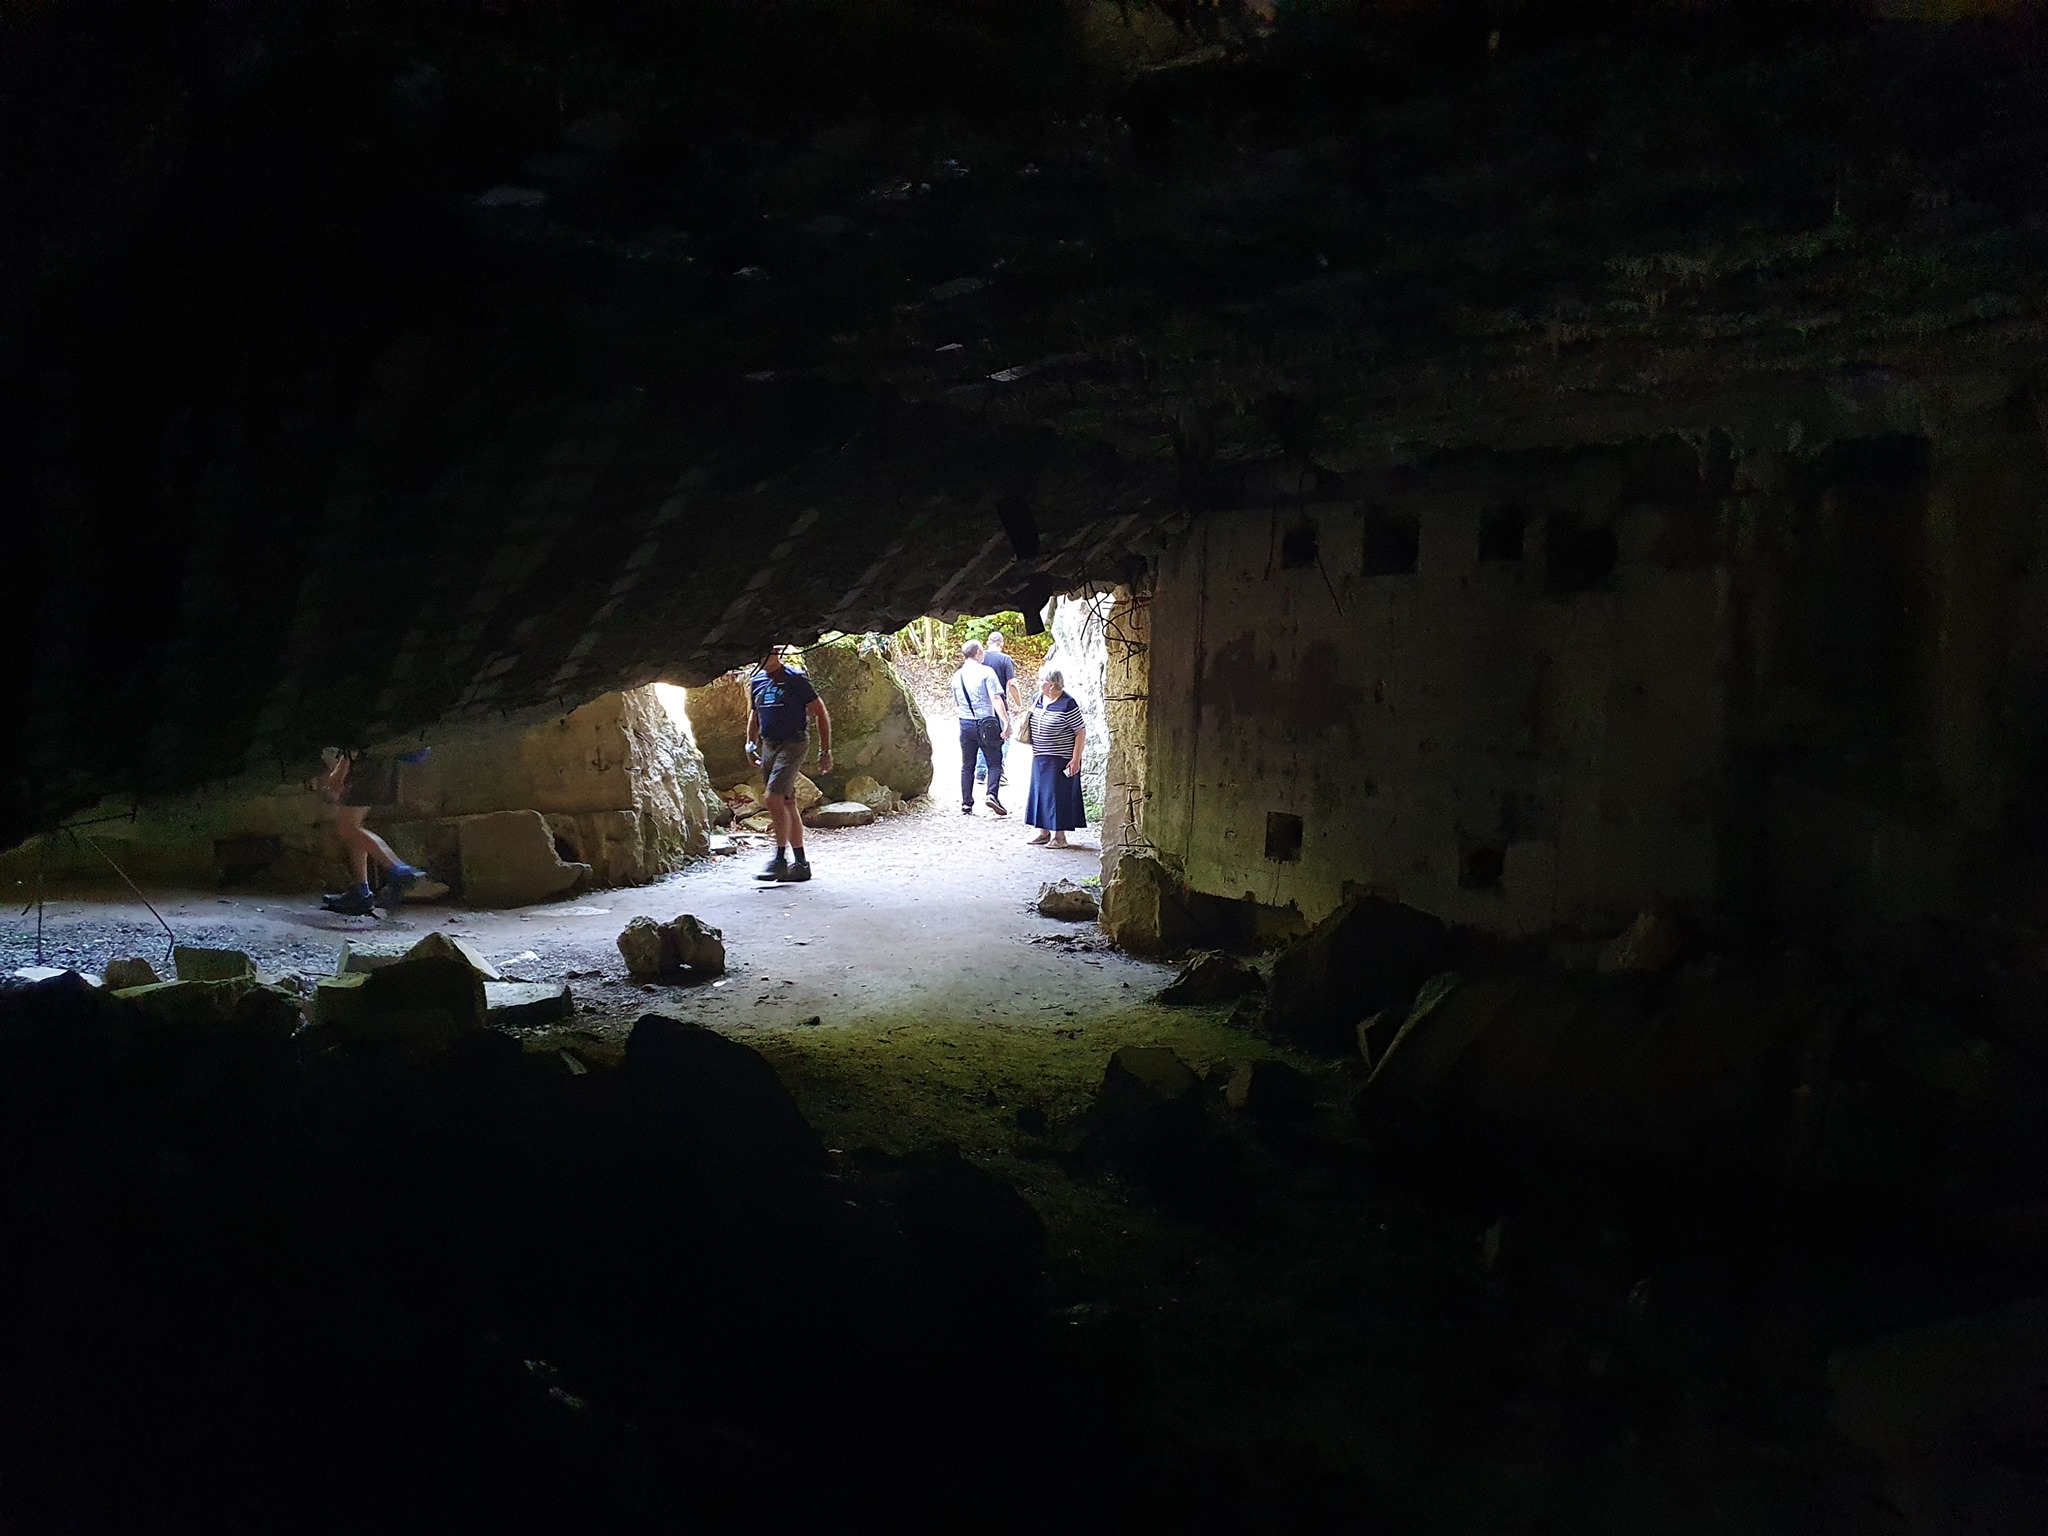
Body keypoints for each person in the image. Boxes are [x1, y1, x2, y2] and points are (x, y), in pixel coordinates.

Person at [745, 644, 833, 882]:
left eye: (768, 653)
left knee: (773, 798)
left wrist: (825, 751)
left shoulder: (795, 678)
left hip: (793, 742)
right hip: (769, 744)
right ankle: (801, 864)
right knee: (786, 801)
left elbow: (820, 712)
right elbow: (755, 714)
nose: (763, 659)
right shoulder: (757, 681)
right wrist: (750, 744)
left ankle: (779, 859)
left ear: (777, 653)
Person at [315, 747, 433, 915]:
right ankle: (362, 892)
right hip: (378, 762)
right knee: (353, 827)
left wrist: (340, 770)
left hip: (366, 765)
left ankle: (398, 869)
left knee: (347, 828)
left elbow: (356, 740)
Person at [1022, 667, 1087, 848]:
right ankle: (1043, 832)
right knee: (1040, 793)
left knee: (1058, 797)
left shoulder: (1068, 703)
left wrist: (1076, 758)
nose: (1038, 683)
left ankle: (1060, 837)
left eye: (1041, 680)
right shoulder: (1037, 699)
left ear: (1051, 685)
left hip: (1060, 758)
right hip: (1040, 756)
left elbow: (1080, 732)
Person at [951, 639, 1009, 815]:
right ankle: (991, 795)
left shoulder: (957, 675)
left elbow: (957, 701)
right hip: (986, 723)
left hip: (965, 723)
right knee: (994, 761)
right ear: (977, 653)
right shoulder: (986, 672)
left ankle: (966, 803)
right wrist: (1005, 722)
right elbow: (996, 698)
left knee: (967, 764)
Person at [977, 631, 1024, 787]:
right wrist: (1019, 703)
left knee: (983, 735)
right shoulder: (1005, 659)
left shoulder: (980, 658)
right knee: (1005, 735)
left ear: (988, 642)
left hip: (982, 705)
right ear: (1001, 644)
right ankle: (999, 769)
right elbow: (1012, 684)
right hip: (999, 704)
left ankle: (981, 772)